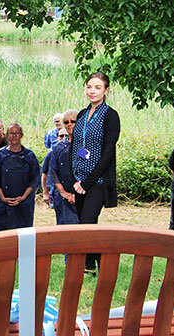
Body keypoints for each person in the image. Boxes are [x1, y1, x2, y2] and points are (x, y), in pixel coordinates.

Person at [71, 72, 121, 273]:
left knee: (88, 222)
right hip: (79, 178)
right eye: (89, 86)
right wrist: (75, 179)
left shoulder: (110, 116)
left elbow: (108, 153)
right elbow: (76, 145)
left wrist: (88, 181)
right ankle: (92, 265)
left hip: (98, 180)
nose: (92, 91)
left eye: (97, 87)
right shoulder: (83, 114)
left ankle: (92, 264)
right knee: (84, 223)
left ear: (106, 90)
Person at [0, 123, 40, 232]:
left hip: (24, 204)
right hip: (2, 204)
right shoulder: (0, 155)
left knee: (23, 236)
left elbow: (34, 179)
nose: (14, 136)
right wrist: (3, 198)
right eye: (11, 133)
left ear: (21, 135)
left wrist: (23, 197)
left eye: (17, 133)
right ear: (7, 135)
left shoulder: (29, 156)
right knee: (1, 237)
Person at [50, 109, 79, 225]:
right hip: (63, 198)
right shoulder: (59, 148)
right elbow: (53, 171)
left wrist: (77, 195)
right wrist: (64, 193)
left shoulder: (85, 146)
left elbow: (90, 168)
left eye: (73, 121)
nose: (70, 124)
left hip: (83, 196)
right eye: (66, 122)